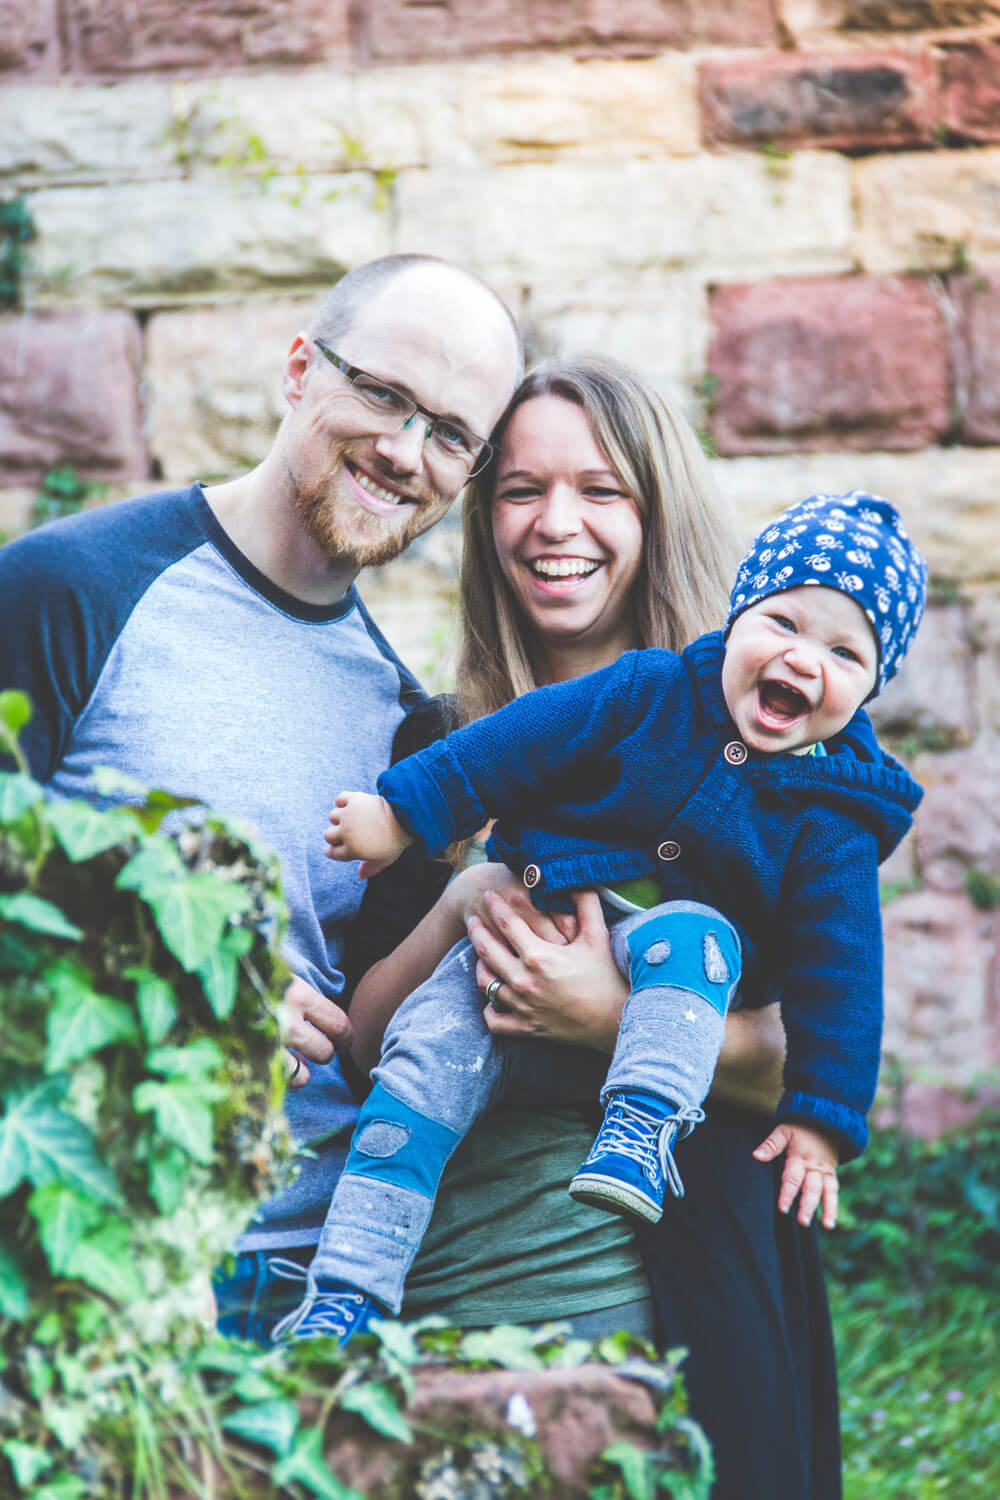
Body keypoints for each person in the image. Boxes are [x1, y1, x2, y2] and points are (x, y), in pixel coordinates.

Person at [0, 252, 524, 1322]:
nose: (403, 450)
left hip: (311, 1276)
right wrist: (175, 964)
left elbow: (370, 1027)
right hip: (88, 1257)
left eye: (449, 433)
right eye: (380, 393)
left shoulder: (406, 726)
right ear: (299, 370)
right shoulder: (70, 589)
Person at [297, 487, 925, 1340]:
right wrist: (401, 814)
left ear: (869, 691)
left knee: (693, 936)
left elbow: (841, 976)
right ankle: (345, 1290)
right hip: (528, 924)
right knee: (417, 1079)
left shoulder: (831, 820)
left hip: (682, 978)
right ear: (739, 614)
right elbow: (513, 743)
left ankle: (640, 1126)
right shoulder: (651, 691)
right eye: (783, 623)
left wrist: (821, 1119)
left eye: (846, 654)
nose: (806, 661)